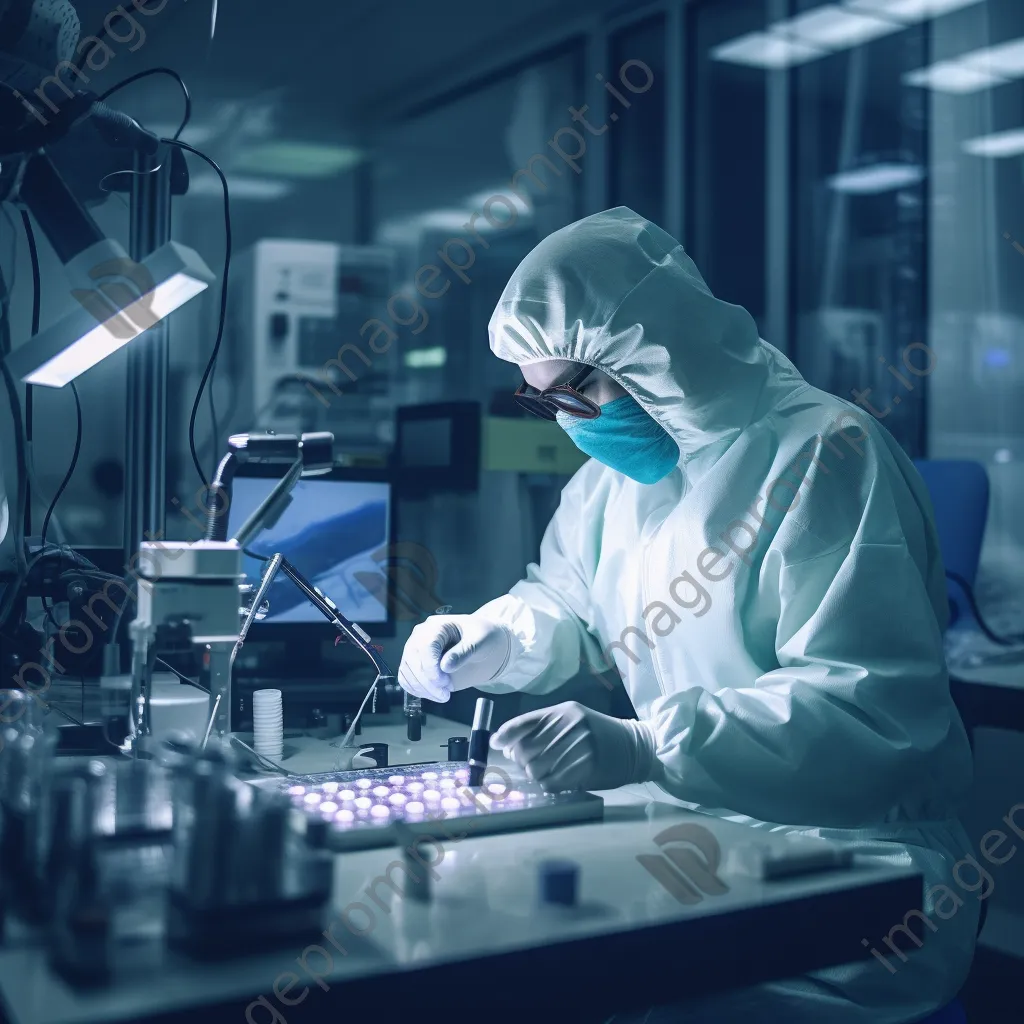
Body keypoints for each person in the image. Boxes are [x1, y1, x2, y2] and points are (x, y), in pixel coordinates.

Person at [397, 207, 977, 1023]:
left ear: (658, 352)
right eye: (544, 402)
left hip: (858, 870)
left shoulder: (825, 453)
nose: (569, 420)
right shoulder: (615, 482)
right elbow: (567, 599)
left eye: (578, 389)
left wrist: (647, 744)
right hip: (691, 832)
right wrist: (496, 636)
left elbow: (866, 710)